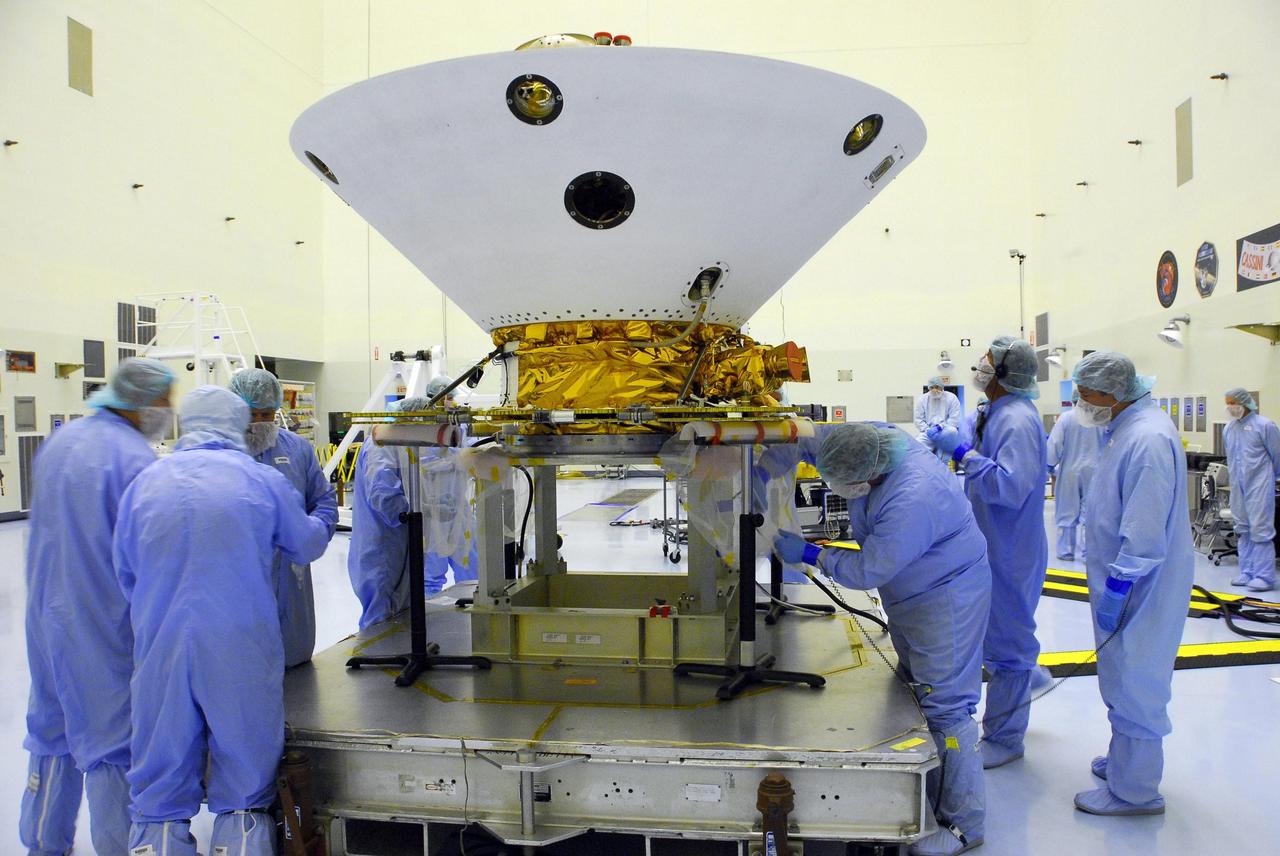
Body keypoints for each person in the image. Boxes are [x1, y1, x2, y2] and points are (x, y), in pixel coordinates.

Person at [113, 387, 333, 855]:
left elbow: (126, 572)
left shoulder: (144, 484)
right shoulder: (260, 480)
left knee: (160, 783)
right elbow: (307, 544)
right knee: (245, 781)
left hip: (161, 648)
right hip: (239, 646)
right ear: (239, 424)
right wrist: (324, 518)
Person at [774, 423, 990, 856]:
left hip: (945, 599)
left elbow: (869, 569)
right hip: (913, 590)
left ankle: (965, 824)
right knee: (918, 689)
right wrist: (772, 456)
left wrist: (813, 554)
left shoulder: (913, 497)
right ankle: (931, 788)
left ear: (866, 477)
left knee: (946, 706)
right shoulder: (871, 442)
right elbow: (815, 441)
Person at [21, 358, 174, 856]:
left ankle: (43, 840)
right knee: (112, 739)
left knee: (52, 727)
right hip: (104, 620)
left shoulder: (61, 442)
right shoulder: (134, 460)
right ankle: (118, 846)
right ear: (141, 402)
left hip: (47, 612)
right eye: (164, 400)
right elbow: (147, 555)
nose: (168, 410)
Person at [1070, 352, 1193, 815]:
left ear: (1113, 393)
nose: (1081, 403)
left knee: (1136, 680)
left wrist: (1121, 585)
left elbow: (1143, 529)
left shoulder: (1146, 439)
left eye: (1086, 394)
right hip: (1127, 579)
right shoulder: (1126, 428)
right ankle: (1124, 761)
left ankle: (1135, 790)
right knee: (1121, 673)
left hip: (1140, 585)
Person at [928, 335, 1047, 769]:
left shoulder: (1017, 419)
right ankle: (1019, 689)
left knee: (1009, 645)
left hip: (1011, 547)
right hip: (991, 541)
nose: (980, 364)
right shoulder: (994, 410)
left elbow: (1009, 487)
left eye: (988, 360)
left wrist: (963, 453)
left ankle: (1006, 737)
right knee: (997, 634)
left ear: (1004, 372)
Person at [229, 368, 338, 665]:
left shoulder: (297, 449)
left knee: (294, 649)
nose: (259, 422)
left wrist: (312, 534)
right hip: (239, 569)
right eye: (251, 414)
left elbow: (323, 499)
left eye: (266, 414)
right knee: (245, 659)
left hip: (291, 569)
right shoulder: (224, 453)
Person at [348, 399, 415, 628]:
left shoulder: (399, 442)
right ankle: (378, 650)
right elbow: (385, 498)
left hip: (396, 543)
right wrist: (419, 511)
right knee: (381, 615)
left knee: (399, 612)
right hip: (383, 545)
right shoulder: (382, 446)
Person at [418, 376, 479, 594]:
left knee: (472, 565)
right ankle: (429, 609)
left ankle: (473, 603)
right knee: (431, 571)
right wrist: (455, 458)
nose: (452, 401)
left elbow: (467, 448)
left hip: (459, 506)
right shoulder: (423, 425)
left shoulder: (457, 422)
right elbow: (424, 460)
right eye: (449, 397)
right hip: (433, 510)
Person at [1222, 387, 1280, 592]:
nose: (1230, 407)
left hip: (1259, 484)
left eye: (1233, 403)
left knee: (1260, 529)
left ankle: (1264, 576)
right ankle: (1247, 571)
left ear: (1245, 402)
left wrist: (1273, 477)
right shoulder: (1229, 429)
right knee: (1242, 528)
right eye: (1228, 403)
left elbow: (1277, 455)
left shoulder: (1265, 425)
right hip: (1237, 485)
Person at [1047, 390, 1103, 561]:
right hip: (1095, 471)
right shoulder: (1099, 419)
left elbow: (1054, 444)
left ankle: (1066, 551)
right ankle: (1088, 553)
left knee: (1066, 511)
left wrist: (1050, 465)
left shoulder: (1066, 418)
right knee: (1090, 513)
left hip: (1069, 471)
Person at [914, 376, 962, 461]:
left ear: (942, 387)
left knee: (952, 431)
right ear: (929, 388)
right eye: (932, 387)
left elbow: (954, 419)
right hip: (928, 432)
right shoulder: (922, 399)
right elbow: (918, 419)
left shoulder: (951, 398)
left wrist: (940, 427)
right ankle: (925, 464)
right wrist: (927, 430)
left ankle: (944, 463)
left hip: (945, 431)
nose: (934, 390)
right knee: (918, 445)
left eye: (937, 387)